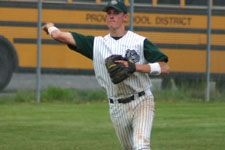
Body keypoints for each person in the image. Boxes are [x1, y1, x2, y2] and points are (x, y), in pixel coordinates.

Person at [42, 0, 169, 149]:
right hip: (116, 106)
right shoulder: (96, 44)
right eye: (109, 13)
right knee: (129, 147)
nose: (112, 16)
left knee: (141, 146)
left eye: (116, 13)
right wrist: (50, 27)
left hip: (142, 100)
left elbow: (164, 67)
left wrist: (135, 67)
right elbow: (60, 36)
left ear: (125, 17)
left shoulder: (139, 42)